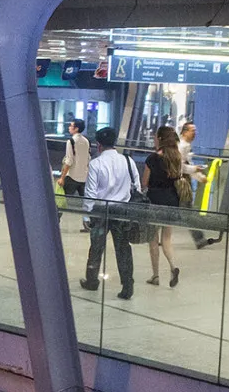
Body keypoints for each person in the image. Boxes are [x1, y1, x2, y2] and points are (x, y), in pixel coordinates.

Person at [79, 126, 137, 300]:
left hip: (100, 211)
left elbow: (90, 192)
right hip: (122, 210)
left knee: (96, 248)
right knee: (123, 249)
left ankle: (92, 281)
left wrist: (86, 215)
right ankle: (127, 285)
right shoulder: (128, 161)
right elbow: (137, 187)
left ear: (98, 145)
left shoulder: (96, 163)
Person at [141, 124, 186, 288]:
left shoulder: (152, 159)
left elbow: (144, 182)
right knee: (167, 239)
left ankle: (156, 275)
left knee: (153, 239)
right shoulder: (176, 157)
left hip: (155, 200)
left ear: (160, 139)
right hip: (172, 200)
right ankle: (173, 267)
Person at [59, 118, 90, 203]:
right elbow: (88, 158)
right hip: (83, 177)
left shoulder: (71, 141)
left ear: (76, 128)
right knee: (86, 204)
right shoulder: (86, 141)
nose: (69, 127)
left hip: (72, 177)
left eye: (71, 125)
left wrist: (62, 177)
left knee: (63, 202)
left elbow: (69, 160)